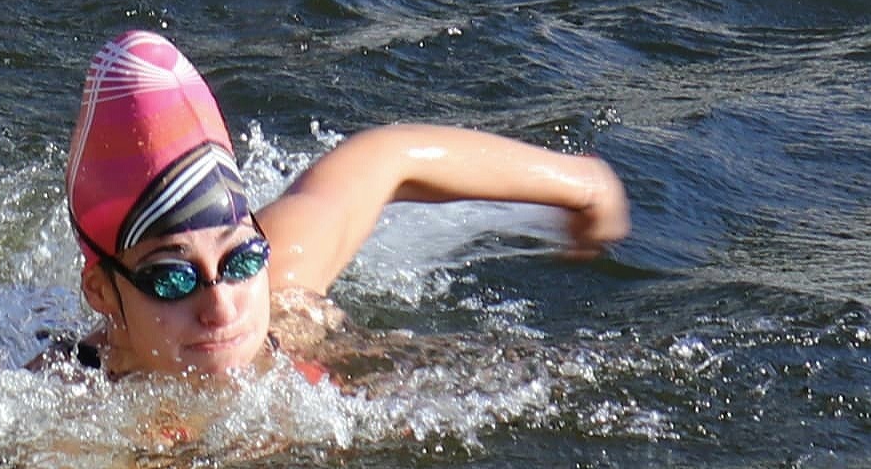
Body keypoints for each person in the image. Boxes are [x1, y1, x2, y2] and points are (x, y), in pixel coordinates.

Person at [55, 28, 627, 387]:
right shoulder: (67, 410)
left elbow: (390, 157)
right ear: (102, 291)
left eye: (242, 260)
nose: (222, 308)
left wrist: (583, 184)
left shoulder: (283, 284)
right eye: (172, 279)